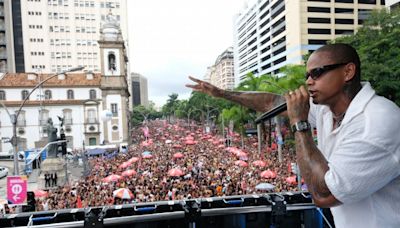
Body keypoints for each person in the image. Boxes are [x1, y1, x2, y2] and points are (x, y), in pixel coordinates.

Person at [186, 43, 400, 228]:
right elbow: (272, 103)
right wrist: (223, 93)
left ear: (348, 72)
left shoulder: (375, 122)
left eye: (317, 73)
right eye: (307, 75)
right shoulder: (327, 109)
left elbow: (324, 195)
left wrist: (300, 123)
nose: (308, 81)